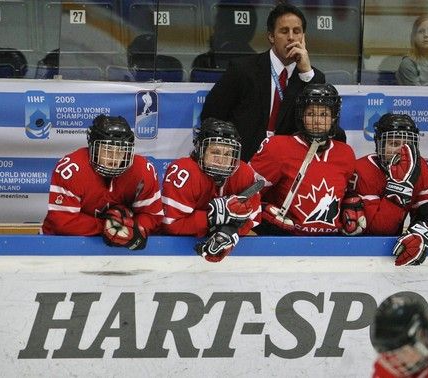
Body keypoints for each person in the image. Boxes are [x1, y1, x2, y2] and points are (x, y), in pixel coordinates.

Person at [201, 3, 328, 162]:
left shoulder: (312, 77)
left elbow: (320, 126)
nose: (291, 37)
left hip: (288, 166)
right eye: (284, 31)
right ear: (271, 36)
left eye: (297, 31)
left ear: (303, 37)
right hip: (244, 161)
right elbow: (211, 114)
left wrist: (306, 72)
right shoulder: (243, 70)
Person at [42, 115, 162, 250]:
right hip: (61, 246)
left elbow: (152, 215)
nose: (114, 158)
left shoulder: (143, 171)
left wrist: (134, 230)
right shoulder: (71, 169)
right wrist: (108, 227)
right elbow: (62, 220)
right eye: (108, 150)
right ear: (93, 147)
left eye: (121, 151)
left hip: (120, 251)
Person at [249, 83, 355, 235]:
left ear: (333, 118)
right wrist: (264, 210)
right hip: (286, 244)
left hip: (332, 246)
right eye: (310, 114)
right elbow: (244, 194)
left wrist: (352, 205)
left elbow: (344, 194)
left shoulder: (345, 153)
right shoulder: (278, 148)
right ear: (301, 116)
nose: (317, 121)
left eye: (324, 115)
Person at [161, 118, 261, 262]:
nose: (222, 160)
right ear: (200, 149)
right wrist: (211, 217)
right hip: (174, 253)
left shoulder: (244, 172)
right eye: (215, 152)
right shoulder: (185, 172)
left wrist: (228, 232)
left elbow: (254, 217)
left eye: (228, 154)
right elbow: (170, 224)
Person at [348, 113, 428, 266]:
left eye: (408, 144)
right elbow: (378, 230)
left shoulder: (421, 167)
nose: (401, 151)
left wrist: (421, 232)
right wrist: (400, 186)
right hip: (360, 255)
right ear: (379, 144)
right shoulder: (363, 170)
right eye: (394, 143)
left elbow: (427, 211)